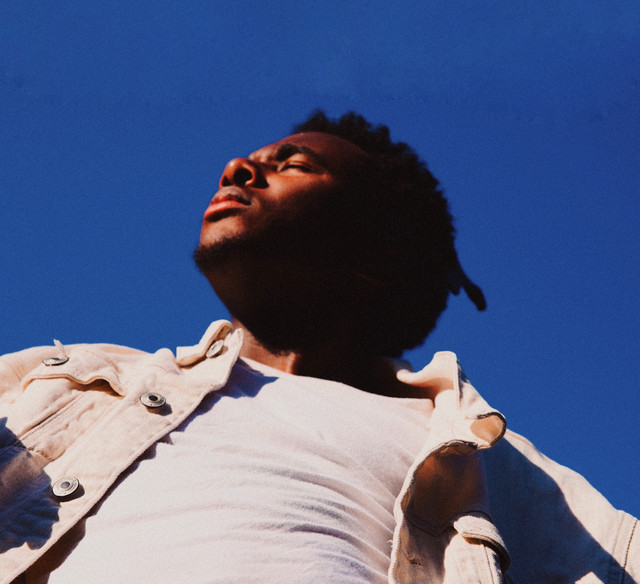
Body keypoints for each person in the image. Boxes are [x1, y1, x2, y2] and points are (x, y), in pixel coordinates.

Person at [0, 112, 637, 583]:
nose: (237, 167)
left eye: (295, 164)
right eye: (250, 160)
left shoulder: (495, 468)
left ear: (378, 252)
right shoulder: (71, 384)